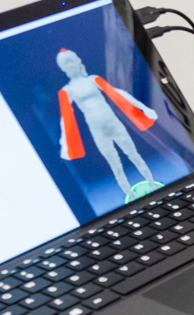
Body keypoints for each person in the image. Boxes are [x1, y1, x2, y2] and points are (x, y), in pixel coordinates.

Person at [54, 47, 163, 202]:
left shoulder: (93, 79)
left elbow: (118, 94)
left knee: (134, 155)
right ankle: (131, 198)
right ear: (63, 69)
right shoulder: (67, 90)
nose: (71, 66)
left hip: (114, 124)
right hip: (98, 131)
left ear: (78, 62)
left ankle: (153, 186)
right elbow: (65, 119)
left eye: (72, 62)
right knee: (116, 166)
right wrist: (64, 144)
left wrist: (144, 108)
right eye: (67, 64)